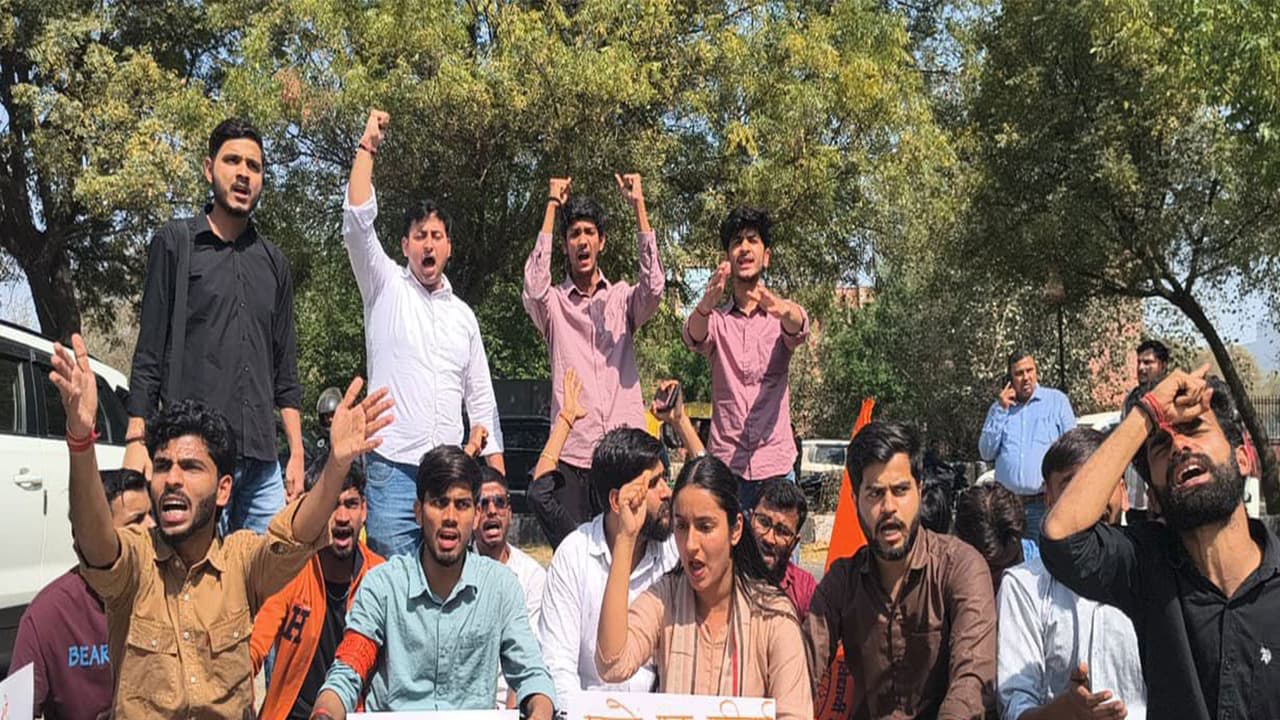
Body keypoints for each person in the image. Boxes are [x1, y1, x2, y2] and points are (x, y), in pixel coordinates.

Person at [48, 333, 391, 718]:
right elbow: (96, 544)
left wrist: (337, 465)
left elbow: (297, 536)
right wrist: (80, 442)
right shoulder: (136, 561)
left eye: (191, 467)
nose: (173, 479)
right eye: (162, 466)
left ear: (224, 489)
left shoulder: (242, 562)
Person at [1041, 366, 1280, 719]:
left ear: (1243, 457)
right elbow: (1061, 538)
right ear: (1152, 493)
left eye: (1194, 429)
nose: (1180, 446)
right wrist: (1147, 414)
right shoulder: (1147, 565)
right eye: (1161, 445)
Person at [125, 117, 305, 533]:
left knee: (266, 588)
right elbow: (149, 351)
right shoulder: (176, 243)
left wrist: (295, 451)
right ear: (209, 169)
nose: (243, 173)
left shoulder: (274, 263)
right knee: (193, 589)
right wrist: (136, 441)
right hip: (194, 461)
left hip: (262, 466)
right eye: (232, 161)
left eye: (254, 166)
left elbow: (285, 370)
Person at [344, 108, 505, 557]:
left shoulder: (463, 317)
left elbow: (481, 400)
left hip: (451, 473)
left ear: (449, 246)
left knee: (449, 592)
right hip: (392, 471)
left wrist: (496, 472)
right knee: (393, 585)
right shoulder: (383, 285)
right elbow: (357, 223)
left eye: (437, 235)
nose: (428, 243)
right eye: (419, 235)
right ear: (404, 246)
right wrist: (368, 144)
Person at [309, 446, 555, 719]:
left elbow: (532, 674)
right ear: (418, 512)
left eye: (462, 505)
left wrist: (540, 710)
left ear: (475, 516)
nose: (450, 517)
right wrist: (325, 712)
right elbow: (349, 668)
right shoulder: (382, 585)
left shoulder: (501, 587)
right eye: (439, 502)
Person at [596, 455, 814, 720]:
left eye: (705, 527)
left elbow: (795, 714)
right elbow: (612, 664)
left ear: (735, 530)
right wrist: (625, 538)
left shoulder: (773, 616)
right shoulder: (666, 599)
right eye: (681, 526)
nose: (690, 544)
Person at [807, 421, 996, 719]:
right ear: (855, 501)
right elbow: (802, 669)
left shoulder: (961, 567)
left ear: (919, 491)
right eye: (875, 494)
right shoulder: (842, 581)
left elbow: (971, 680)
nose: (889, 507)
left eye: (901, 490)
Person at [523, 175, 664, 543]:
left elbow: (654, 289)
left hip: (623, 456)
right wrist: (552, 207)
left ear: (601, 242)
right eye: (574, 234)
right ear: (565, 246)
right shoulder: (553, 306)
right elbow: (533, 287)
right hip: (573, 455)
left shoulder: (621, 299)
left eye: (589, 232)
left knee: (631, 553)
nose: (582, 241)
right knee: (575, 557)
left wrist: (638, 206)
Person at [998, 428, 1144, 720]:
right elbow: (1015, 708)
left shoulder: (1160, 575)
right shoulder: (1023, 587)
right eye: (1072, 487)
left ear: (1123, 493)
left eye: (1100, 483)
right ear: (1049, 502)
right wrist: (1064, 713)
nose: (1090, 500)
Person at [539, 427, 679, 703]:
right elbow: (557, 666)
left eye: (666, 479)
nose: (667, 493)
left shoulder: (673, 552)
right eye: (653, 484)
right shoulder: (574, 555)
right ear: (617, 501)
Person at [683, 206, 809, 511]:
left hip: (776, 469)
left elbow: (799, 324)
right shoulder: (717, 320)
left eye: (752, 240)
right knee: (729, 559)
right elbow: (693, 336)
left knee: (780, 558)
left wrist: (779, 309)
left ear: (766, 256)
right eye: (737, 241)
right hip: (728, 470)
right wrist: (706, 303)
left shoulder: (780, 314)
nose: (744, 247)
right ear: (728, 257)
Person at [6, 469, 153, 720]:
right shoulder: (47, 615)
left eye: (152, 517)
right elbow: (14, 713)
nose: (151, 530)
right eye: (136, 522)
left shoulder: (172, 590)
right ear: (90, 538)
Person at [250, 462, 385, 720]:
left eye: (351, 504)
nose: (342, 517)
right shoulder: (291, 570)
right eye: (332, 505)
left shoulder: (380, 575)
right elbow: (255, 645)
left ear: (364, 510)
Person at [978, 351, 1076, 540]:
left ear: (1036, 371)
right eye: (1019, 373)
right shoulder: (999, 408)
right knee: (1009, 563)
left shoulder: (1056, 402)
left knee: (1043, 564)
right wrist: (1000, 410)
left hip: (1043, 504)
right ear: (1010, 378)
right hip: (1007, 506)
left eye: (1029, 370)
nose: (1026, 378)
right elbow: (986, 452)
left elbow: (1073, 451)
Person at [473, 465, 548, 708]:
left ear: (510, 512)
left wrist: (510, 713)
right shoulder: (455, 572)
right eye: (483, 504)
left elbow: (529, 654)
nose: (492, 511)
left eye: (499, 502)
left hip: (518, 701)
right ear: (473, 515)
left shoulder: (532, 575)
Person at [749, 478, 817, 620]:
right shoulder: (725, 576)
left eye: (782, 531)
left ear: (794, 543)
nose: (769, 538)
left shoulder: (804, 588)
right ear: (749, 519)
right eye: (763, 522)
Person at [953, 483, 1035, 592]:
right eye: (994, 570)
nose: (1006, 579)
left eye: (1013, 563)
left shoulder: (1041, 573)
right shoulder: (946, 581)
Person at [1124, 339, 1170, 523]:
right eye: (1139, 363)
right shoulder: (1130, 400)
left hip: (1166, 499)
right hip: (1136, 501)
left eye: (1148, 362)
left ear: (1163, 365)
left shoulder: (1171, 398)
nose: (1141, 368)